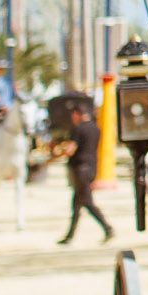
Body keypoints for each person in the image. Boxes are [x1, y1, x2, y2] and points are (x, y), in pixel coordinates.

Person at [54, 97, 113, 246]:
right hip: (91, 168)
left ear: (77, 114)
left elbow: (71, 149)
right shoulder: (95, 128)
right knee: (76, 205)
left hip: (80, 169)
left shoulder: (78, 129)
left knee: (87, 202)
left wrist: (58, 152)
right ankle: (69, 236)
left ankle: (108, 228)